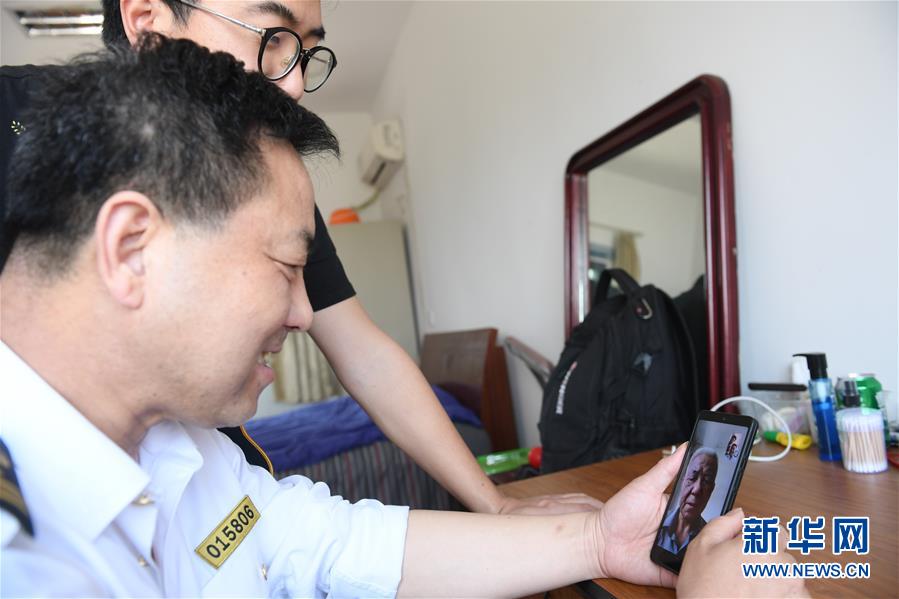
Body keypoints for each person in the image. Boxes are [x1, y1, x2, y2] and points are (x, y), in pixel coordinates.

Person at [0, 38, 807, 598]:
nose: (304, 312)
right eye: (286, 266)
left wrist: (598, 541)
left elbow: (327, 543)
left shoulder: (190, 450)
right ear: (132, 248)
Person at [0, 0, 599, 516]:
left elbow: (364, 354)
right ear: (146, 19)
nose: (294, 84)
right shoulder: (12, 113)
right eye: (273, 37)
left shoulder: (271, 187)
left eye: (307, 51)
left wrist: (494, 503)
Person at [656, 447, 718, 557]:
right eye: (692, 477)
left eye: (706, 480)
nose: (696, 490)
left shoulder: (709, 540)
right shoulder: (657, 521)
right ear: (682, 480)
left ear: (711, 490)